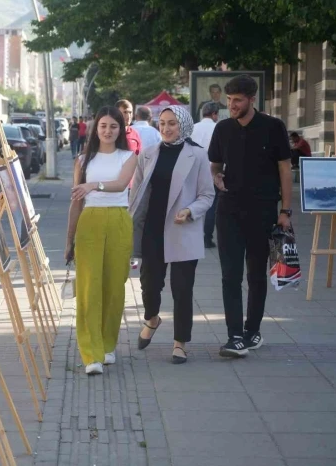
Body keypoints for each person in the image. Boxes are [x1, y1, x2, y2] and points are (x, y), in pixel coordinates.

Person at [208, 74, 292, 358]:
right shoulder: (222, 129)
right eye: (229, 100)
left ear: (252, 99)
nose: (232, 105)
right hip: (228, 209)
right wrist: (217, 177)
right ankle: (234, 336)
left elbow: (284, 169)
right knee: (229, 275)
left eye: (237, 101)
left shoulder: (273, 127)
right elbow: (215, 165)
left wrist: (285, 211)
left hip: (263, 210)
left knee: (256, 274)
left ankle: (252, 331)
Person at [130, 106, 214, 364]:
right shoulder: (148, 154)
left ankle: (180, 343)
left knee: (182, 289)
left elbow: (207, 195)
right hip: (152, 229)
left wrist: (191, 210)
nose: (165, 128)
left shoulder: (198, 155)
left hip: (181, 228)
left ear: (184, 126)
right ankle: (152, 318)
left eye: (172, 124)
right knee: (149, 286)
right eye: (162, 123)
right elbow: (137, 195)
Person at [64, 106, 137, 375]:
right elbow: (76, 202)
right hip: (90, 222)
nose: (108, 131)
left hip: (118, 220)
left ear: (121, 129)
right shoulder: (83, 161)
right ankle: (90, 353)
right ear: (96, 128)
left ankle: (107, 344)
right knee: (88, 287)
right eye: (103, 126)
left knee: (114, 287)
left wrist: (94, 185)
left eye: (113, 126)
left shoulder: (129, 156)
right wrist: (68, 240)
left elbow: (120, 184)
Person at [191, 101, 220, 248]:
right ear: (214, 114)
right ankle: (207, 237)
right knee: (210, 205)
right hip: (212, 172)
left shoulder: (193, 128)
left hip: (192, 171)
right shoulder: (218, 128)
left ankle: (191, 235)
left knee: (192, 203)